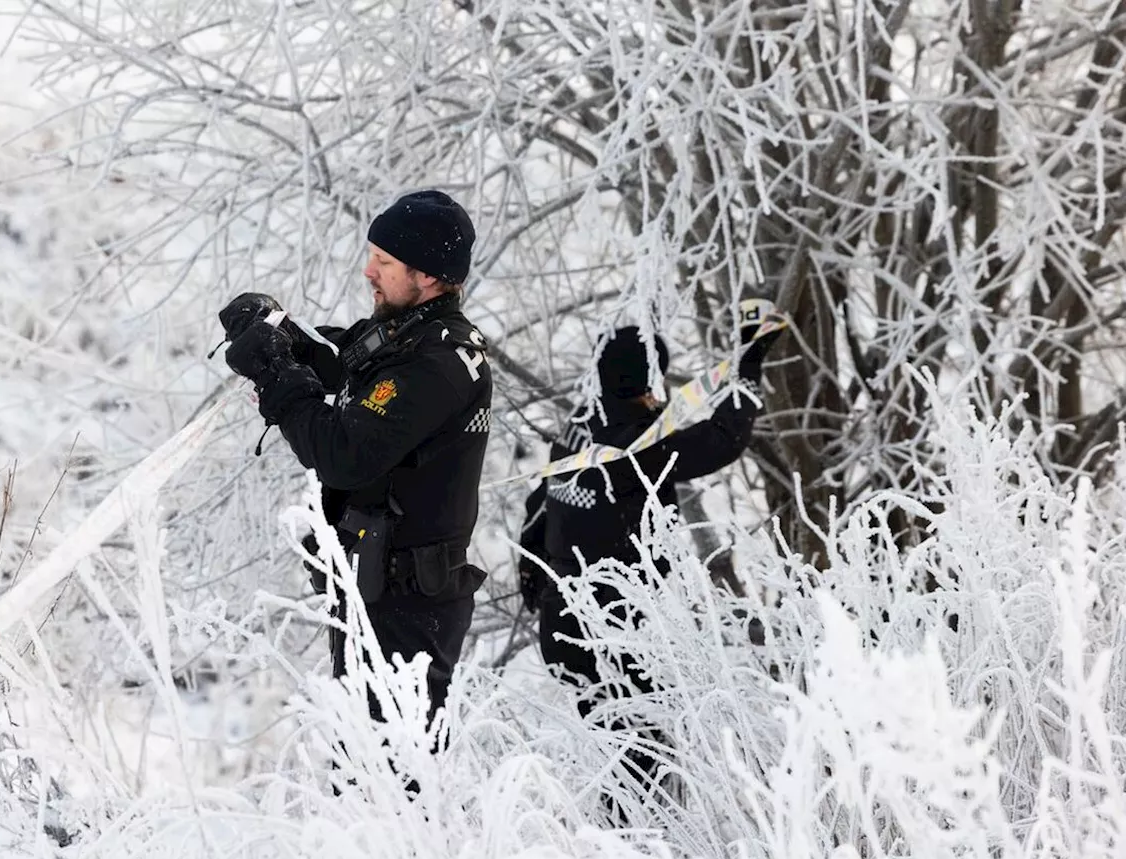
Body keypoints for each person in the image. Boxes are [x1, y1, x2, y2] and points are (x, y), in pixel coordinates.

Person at [218, 189, 492, 732]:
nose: (369, 271)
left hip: (409, 608)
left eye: (385, 262)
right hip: (371, 585)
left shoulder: (440, 362)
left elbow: (343, 454)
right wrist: (278, 332)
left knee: (395, 776)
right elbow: (345, 370)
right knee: (360, 765)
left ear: (431, 276)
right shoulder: (404, 334)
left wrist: (276, 373)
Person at [518, 308, 783, 817]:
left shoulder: (577, 429)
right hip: (616, 635)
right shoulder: (643, 445)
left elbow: (538, 502)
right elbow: (725, 439)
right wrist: (750, 362)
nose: (661, 394)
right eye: (656, 381)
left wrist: (532, 573)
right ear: (641, 383)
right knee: (643, 760)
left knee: (617, 753)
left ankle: (618, 851)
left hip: (563, 626)